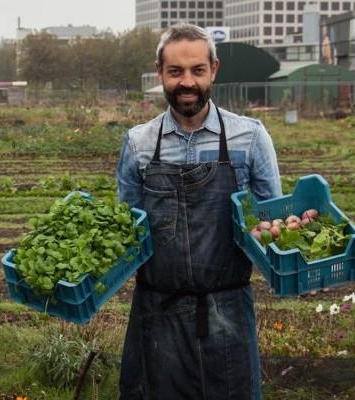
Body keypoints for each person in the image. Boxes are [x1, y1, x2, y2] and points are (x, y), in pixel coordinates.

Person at [116, 23, 282, 400]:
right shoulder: (139, 144)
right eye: (175, 72)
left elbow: (274, 220)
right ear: (160, 73)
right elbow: (126, 231)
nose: (186, 82)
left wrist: (290, 250)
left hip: (226, 312)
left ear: (214, 70)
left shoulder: (251, 138)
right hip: (157, 312)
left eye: (197, 70)